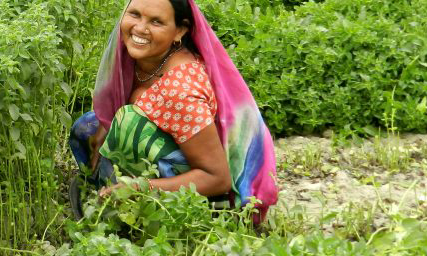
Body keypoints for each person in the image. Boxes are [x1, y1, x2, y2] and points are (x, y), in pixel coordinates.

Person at [67, 0, 278, 224]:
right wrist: (107, 125)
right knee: (89, 126)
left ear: (180, 31)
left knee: (129, 123)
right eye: (135, 14)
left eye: (156, 21)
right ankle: (107, 190)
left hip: (211, 198)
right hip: (173, 150)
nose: (139, 28)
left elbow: (218, 178)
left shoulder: (180, 90)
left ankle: (137, 216)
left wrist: (140, 188)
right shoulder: (137, 56)